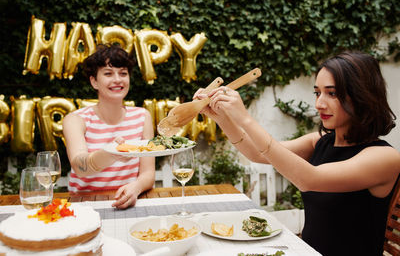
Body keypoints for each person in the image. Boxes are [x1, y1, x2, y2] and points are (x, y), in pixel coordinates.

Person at [194, 51, 400, 256]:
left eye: (332, 93)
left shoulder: (384, 158)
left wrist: (246, 119)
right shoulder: (320, 141)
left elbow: (308, 179)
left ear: (362, 96)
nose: (319, 103)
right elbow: (258, 154)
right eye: (317, 93)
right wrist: (222, 118)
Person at [63, 44, 155, 209]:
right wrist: (113, 152)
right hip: (84, 206)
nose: (118, 80)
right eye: (108, 73)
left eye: (123, 73)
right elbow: (80, 167)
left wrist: (135, 188)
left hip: (129, 202)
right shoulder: (76, 120)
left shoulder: (142, 116)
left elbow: (148, 173)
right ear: (94, 82)